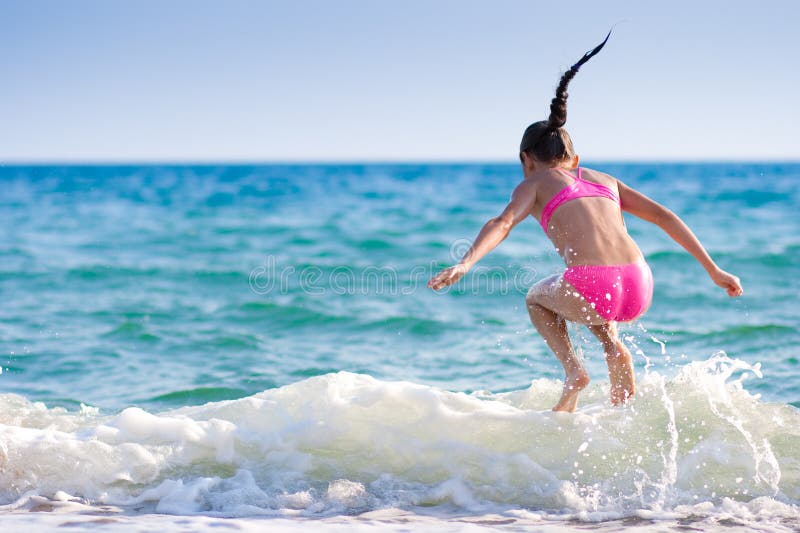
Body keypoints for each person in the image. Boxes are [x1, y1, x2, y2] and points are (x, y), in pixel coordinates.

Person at [426, 33, 743, 412]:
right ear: (575, 160)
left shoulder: (535, 182)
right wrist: (713, 269)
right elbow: (664, 216)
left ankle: (575, 371)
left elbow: (504, 221)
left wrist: (466, 262)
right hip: (639, 282)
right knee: (583, 297)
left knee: (538, 299)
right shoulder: (603, 179)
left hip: (594, 284)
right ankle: (616, 367)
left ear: (525, 159)